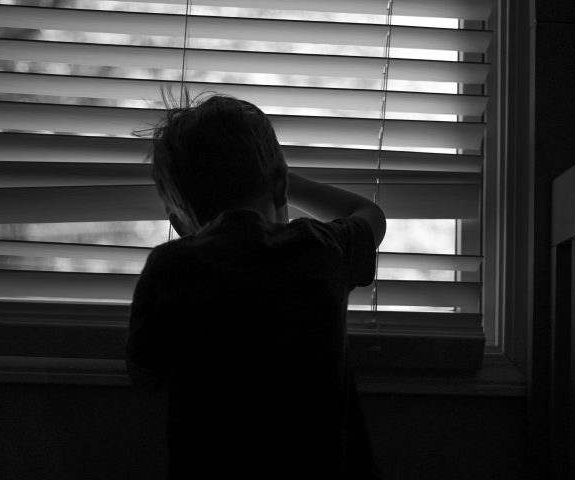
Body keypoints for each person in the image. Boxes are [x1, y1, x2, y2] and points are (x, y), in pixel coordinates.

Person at [125, 93, 386, 479]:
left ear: (179, 224)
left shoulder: (169, 268)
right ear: (280, 186)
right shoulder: (318, 249)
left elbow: (144, 372)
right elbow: (370, 215)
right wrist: (287, 180)